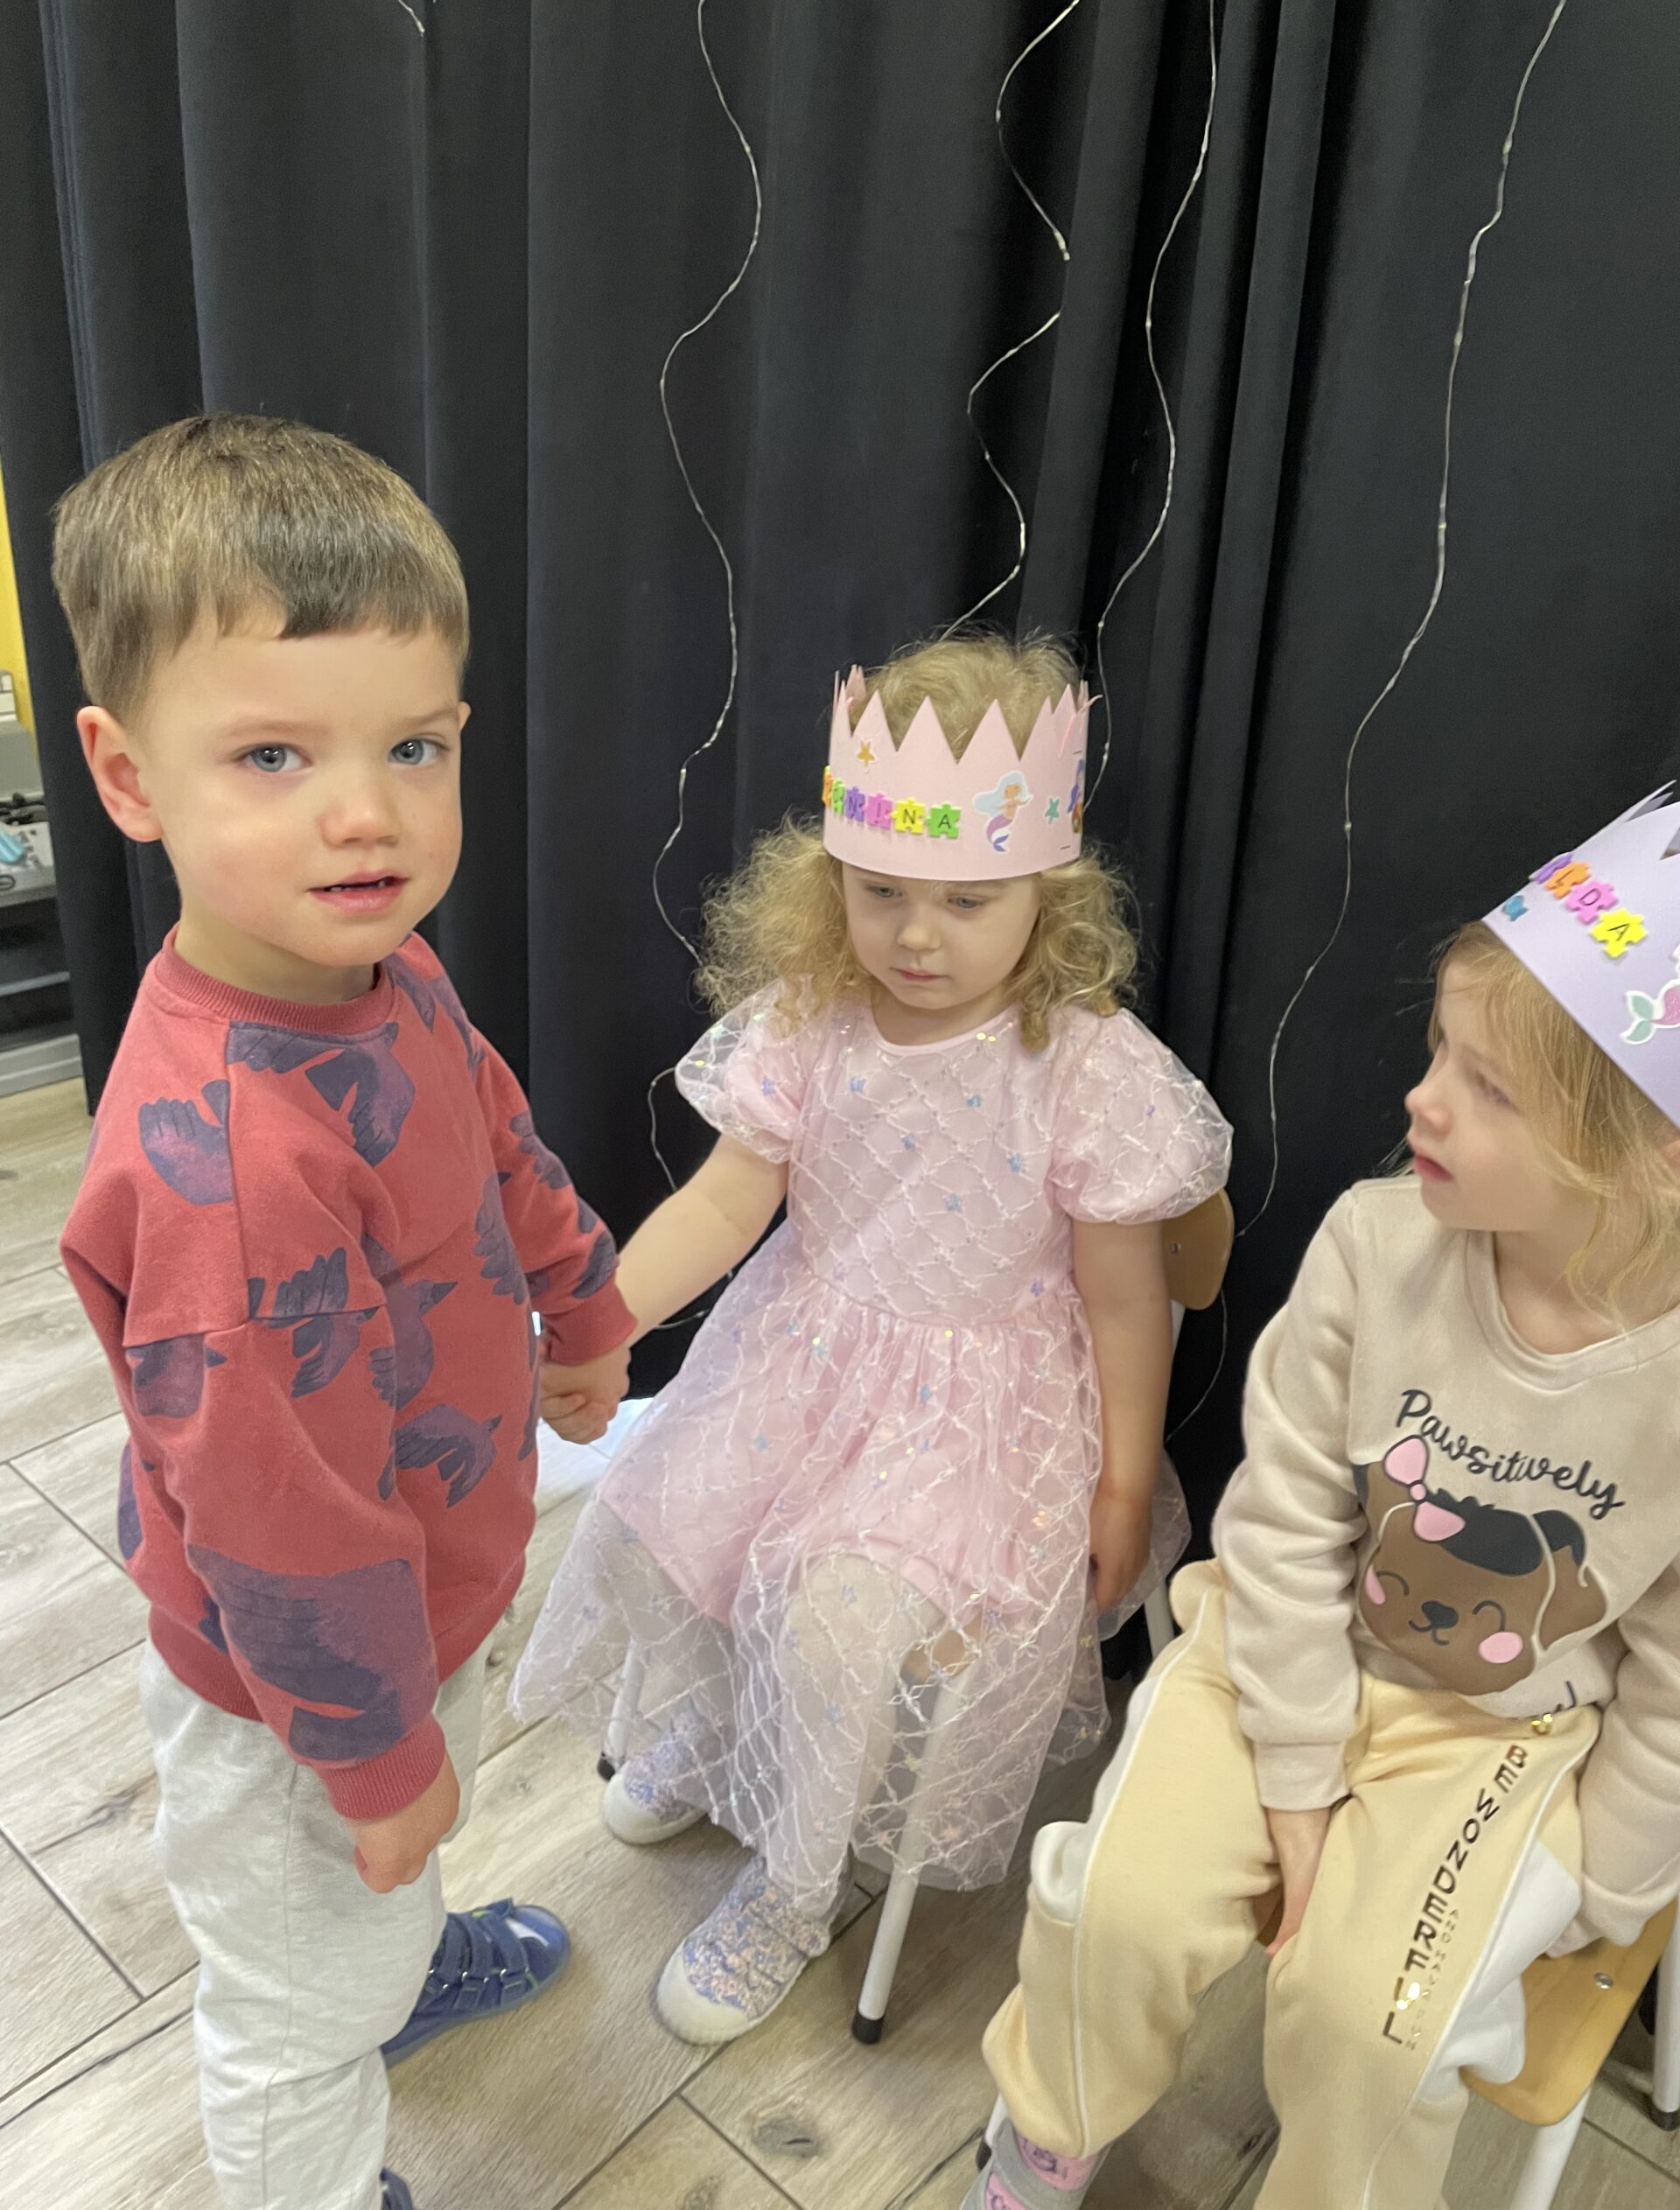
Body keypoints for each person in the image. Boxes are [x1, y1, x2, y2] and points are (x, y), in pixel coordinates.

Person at [52, 414, 635, 2210]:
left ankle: (392, 1957)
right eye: (273, 754)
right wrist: (374, 1763)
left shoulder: (377, 962)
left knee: (371, 1894)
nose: (366, 810)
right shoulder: (232, 1168)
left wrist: (581, 1295)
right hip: (295, 1690)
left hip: (423, 1578)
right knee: (292, 2012)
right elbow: (277, 1522)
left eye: (414, 745)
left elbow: (493, 1133)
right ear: (128, 775)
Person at [967, 786, 1680, 2210]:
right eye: (1440, 1050)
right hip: (1282, 1649)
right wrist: (1296, 1778)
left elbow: (1670, 1672)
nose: (1425, 1099)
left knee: (1376, 2031)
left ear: (1648, 1156)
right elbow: (1285, 1523)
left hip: (1499, 1737)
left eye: (1491, 1088)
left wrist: (1605, 1883)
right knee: (1116, 1902)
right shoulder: (1375, 1244)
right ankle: (1048, 2132)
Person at [514, 632, 1231, 2042]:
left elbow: (1124, 1297)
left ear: (1046, 893)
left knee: (835, 1620)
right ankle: (716, 1735)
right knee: (669, 1513)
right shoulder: (813, 1019)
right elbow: (727, 1202)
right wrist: (599, 1319)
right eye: (881, 889)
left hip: (977, 1418)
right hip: (802, 1355)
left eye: (968, 901)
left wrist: (1123, 1481)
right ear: (828, 872)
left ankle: (793, 1888)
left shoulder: (1084, 1069)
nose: (915, 936)